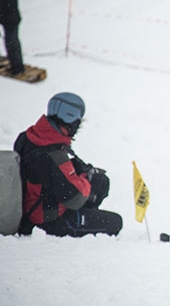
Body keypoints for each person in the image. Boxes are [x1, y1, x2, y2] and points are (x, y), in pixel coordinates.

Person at [14, 92, 123, 237]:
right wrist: (84, 180)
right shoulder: (54, 155)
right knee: (115, 222)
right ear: (72, 122)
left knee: (99, 181)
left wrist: (76, 172)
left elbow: (50, 176)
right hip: (47, 219)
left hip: (30, 204)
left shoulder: (30, 137)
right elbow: (74, 198)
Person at [0, 0, 25, 76]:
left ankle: (18, 67)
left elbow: (8, 7)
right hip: (5, 18)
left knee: (12, 43)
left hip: (11, 20)